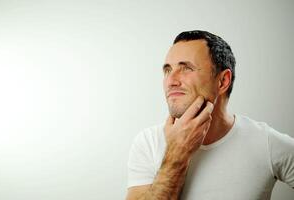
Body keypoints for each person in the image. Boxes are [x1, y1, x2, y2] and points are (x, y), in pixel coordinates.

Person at [126, 30, 294, 200]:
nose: (171, 81)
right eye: (168, 70)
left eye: (186, 68)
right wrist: (176, 155)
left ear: (222, 81)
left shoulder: (265, 143)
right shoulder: (148, 142)